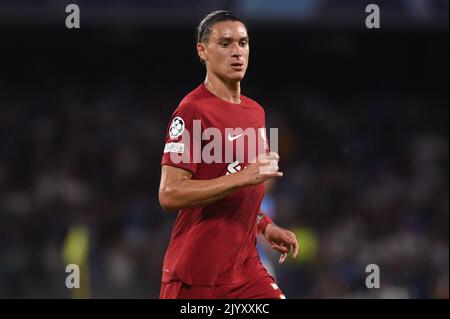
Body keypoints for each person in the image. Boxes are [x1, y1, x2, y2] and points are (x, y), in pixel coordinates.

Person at [158, 10, 299, 299]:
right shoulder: (192, 110)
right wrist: (243, 177)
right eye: (225, 44)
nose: (237, 52)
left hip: (245, 272)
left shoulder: (255, 112)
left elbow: (243, 192)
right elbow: (170, 194)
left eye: (243, 43)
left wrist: (265, 226)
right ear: (202, 51)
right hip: (196, 277)